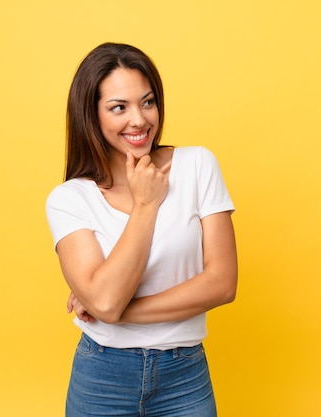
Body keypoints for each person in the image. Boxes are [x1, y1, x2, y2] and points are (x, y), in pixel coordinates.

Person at [45, 42, 238, 417]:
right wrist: (146, 204)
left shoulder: (197, 166)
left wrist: (113, 310)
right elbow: (103, 300)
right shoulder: (69, 199)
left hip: (185, 376)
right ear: (92, 115)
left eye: (147, 102)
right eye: (119, 107)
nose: (139, 120)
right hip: (102, 377)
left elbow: (222, 283)